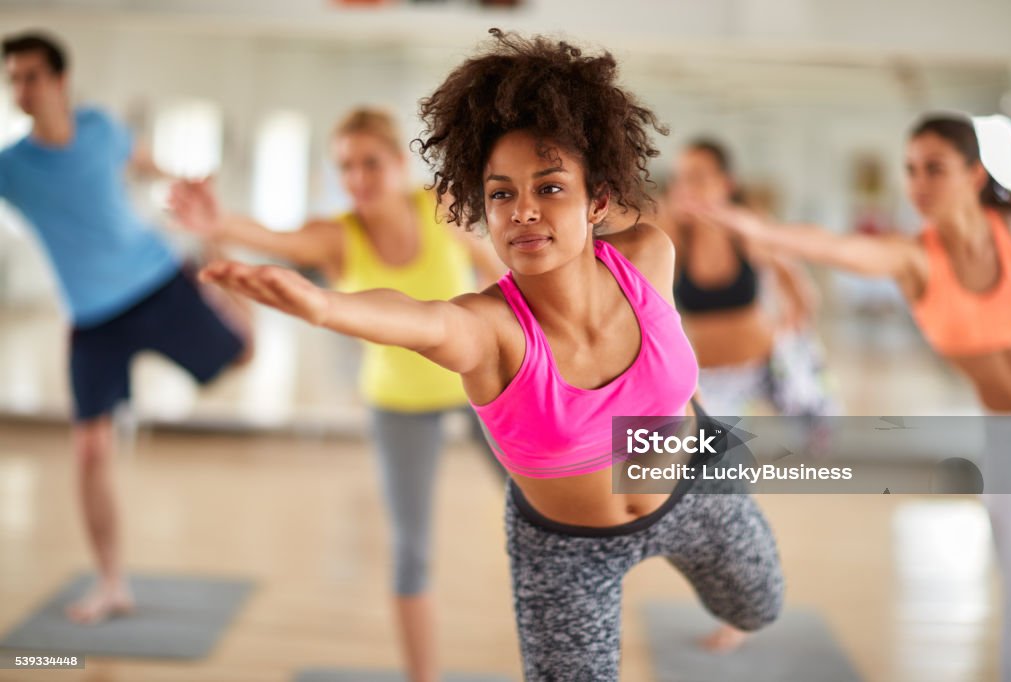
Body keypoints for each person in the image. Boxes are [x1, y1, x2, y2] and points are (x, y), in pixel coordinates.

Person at [194, 30, 784, 680]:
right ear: (483, 208)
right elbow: (420, 319)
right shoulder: (490, 329)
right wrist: (325, 307)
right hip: (567, 553)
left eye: (550, 187)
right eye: (502, 193)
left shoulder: (650, 254)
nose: (524, 210)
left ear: (598, 200)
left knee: (763, 608)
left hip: (698, 489)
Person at [684, 114, 1011, 682]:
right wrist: (758, 228)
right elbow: (830, 247)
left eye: (934, 169)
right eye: (910, 170)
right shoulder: (915, 258)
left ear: (974, 174)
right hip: (1010, 435)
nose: (917, 183)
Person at [169, 107, 504, 682]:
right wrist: (216, 221)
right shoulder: (339, 236)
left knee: (544, 505)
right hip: (397, 403)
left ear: (399, 164)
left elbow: (499, 270)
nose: (358, 177)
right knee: (411, 552)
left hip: (482, 384)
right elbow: (276, 238)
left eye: (370, 162)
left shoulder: (442, 208)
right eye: (346, 167)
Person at [0, 31, 251, 623]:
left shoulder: (102, 129)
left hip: (157, 282)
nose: (22, 89)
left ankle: (235, 296)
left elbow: (146, 163)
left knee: (240, 355)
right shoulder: (11, 168)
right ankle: (112, 583)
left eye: (32, 76)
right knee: (89, 449)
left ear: (60, 81)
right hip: (92, 320)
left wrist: (186, 184)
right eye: (14, 79)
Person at [663, 138, 836, 421]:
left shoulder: (748, 231)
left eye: (698, 177)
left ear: (726, 183)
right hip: (707, 381)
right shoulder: (671, 235)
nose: (687, 187)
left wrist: (791, 334)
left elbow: (800, 292)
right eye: (680, 178)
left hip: (760, 375)